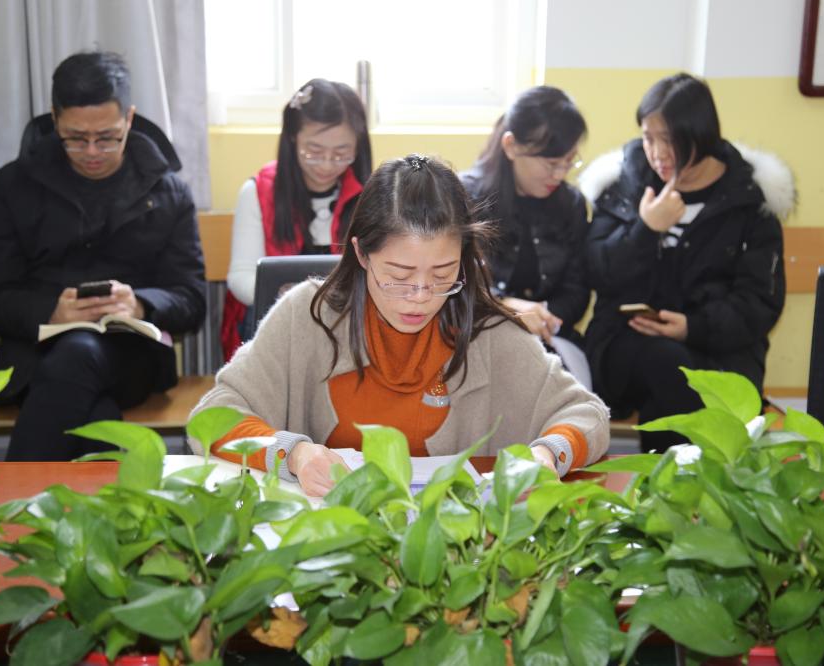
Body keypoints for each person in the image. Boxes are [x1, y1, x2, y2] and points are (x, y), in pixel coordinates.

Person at [193, 155, 609, 496]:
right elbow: (213, 416)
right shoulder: (307, 316)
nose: (421, 295)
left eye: (443, 273)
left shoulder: (487, 330)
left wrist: (547, 455)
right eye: (399, 275)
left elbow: (585, 413)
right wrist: (293, 454)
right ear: (361, 253)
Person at [0, 51, 206, 461]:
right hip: (35, 355)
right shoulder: (15, 184)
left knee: (79, 356)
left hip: (131, 357)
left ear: (129, 119)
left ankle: (14, 497)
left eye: (107, 137)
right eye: (76, 138)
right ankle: (111, 502)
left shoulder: (166, 190)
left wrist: (139, 304)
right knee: (95, 417)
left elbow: (191, 298)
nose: (92, 151)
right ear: (54, 119)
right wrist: (51, 311)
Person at [579, 73, 792, 452]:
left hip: (720, 352)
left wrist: (693, 327)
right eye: (649, 138)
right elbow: (596, 271)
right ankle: (685, 475)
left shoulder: (747, 201)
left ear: (701, 135)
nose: (657, 153)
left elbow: (759, 302)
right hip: (625, 347)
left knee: (677, 372)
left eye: (670, 140)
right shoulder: (625, 184)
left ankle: (664, 473)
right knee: (666, 363)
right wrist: (645, 230)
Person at [221, 79, 372, 360]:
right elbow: (241, 277)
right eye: (314, 151)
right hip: (275, 323)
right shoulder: (258, 192)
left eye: (341, 153)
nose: (327, 164)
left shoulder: (369, 195)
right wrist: (295, 299)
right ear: (293, 138)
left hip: (346, 325)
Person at [460, 86, 592, 387]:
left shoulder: (570, 204)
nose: (559, 174)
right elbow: (452, 285)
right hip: (482, 334)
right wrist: (505, 306)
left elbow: (577, 290)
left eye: (569, 161)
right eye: (551, 163)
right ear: (511, 146)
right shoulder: (466, 198)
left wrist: (542, 317)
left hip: (550, 338)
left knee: (566, 392)